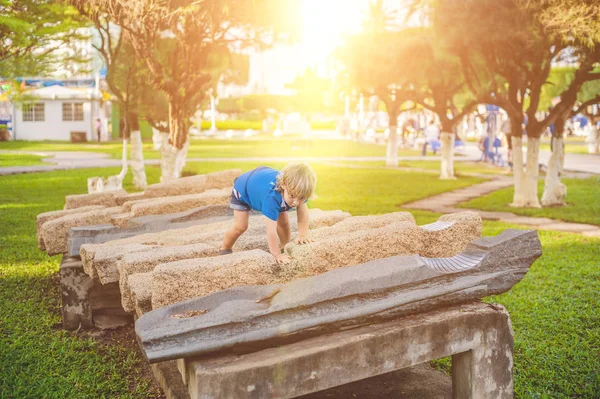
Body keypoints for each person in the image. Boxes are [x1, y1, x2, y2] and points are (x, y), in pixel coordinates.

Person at [220, 163, 317, 264]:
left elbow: (303, 215)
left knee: (283, 221)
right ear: (283, 185)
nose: (296, 202)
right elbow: (271, 230)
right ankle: (225, 248)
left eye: (301, 198)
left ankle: (285, 246)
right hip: (243, 189)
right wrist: (276, 254)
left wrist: (302, 235)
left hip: (260, 179)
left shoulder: (298, 191)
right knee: (240, 226)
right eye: (292, 196)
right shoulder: (272, 198)